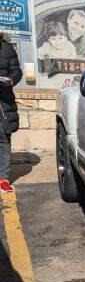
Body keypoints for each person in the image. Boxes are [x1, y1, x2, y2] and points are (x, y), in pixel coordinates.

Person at [0, 33, 23, 193]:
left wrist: (11, 80)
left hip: (3, 100)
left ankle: (3, 178)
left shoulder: (7, 48)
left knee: (3, 138)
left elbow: (17, 71)